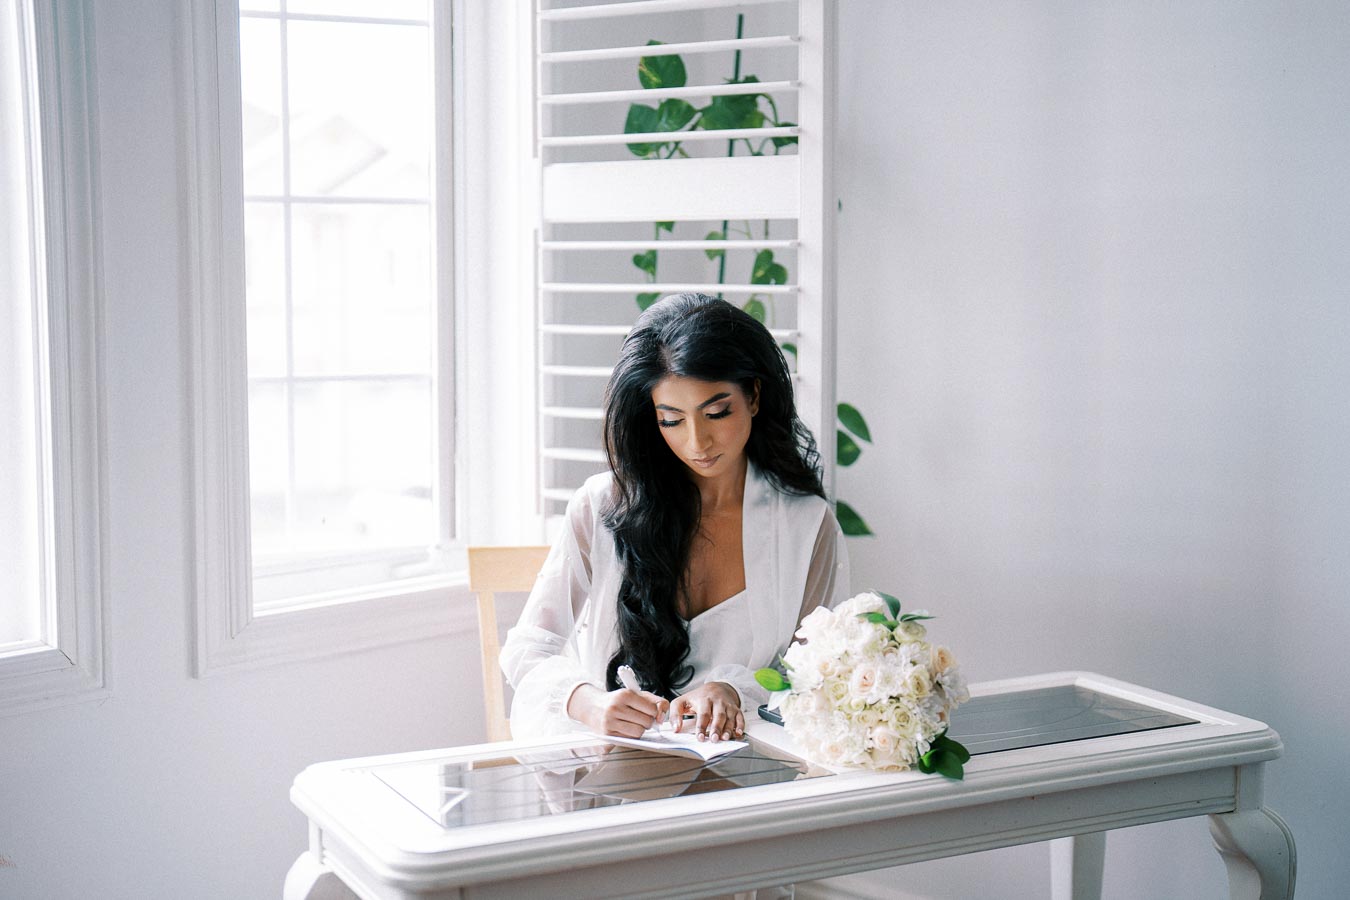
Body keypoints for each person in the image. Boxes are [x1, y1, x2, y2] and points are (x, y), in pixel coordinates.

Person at [502, 292, 850, 743]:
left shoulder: (807, 526)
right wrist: (588, 703)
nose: (697, 442)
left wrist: (731, 691)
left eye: (717, 412)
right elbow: (528, 648)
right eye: (672, 420)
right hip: (617, 776)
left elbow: (818, 672)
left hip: (749, 777)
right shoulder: (601, 506)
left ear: (755, 396)